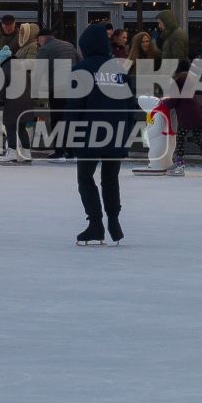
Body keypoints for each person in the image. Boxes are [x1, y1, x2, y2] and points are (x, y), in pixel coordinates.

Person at [65, 22, 134, 246]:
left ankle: (95, 224)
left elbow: (75, 107)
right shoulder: (118, 70)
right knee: (110, 179)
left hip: (89, 133)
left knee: (85, 178)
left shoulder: (81, 70)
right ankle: (114, 221)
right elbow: (130, 105)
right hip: (116, 132)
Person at [0, 20, 41, 164]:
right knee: (21, 126)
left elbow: (32, 63)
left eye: (24, 32)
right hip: (24, 98)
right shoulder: (21, 48)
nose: (21, 34)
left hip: (14, 99)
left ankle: (12, 152)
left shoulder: (31, 47)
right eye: (20, 32)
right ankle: (26, 153)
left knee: (10, 125)